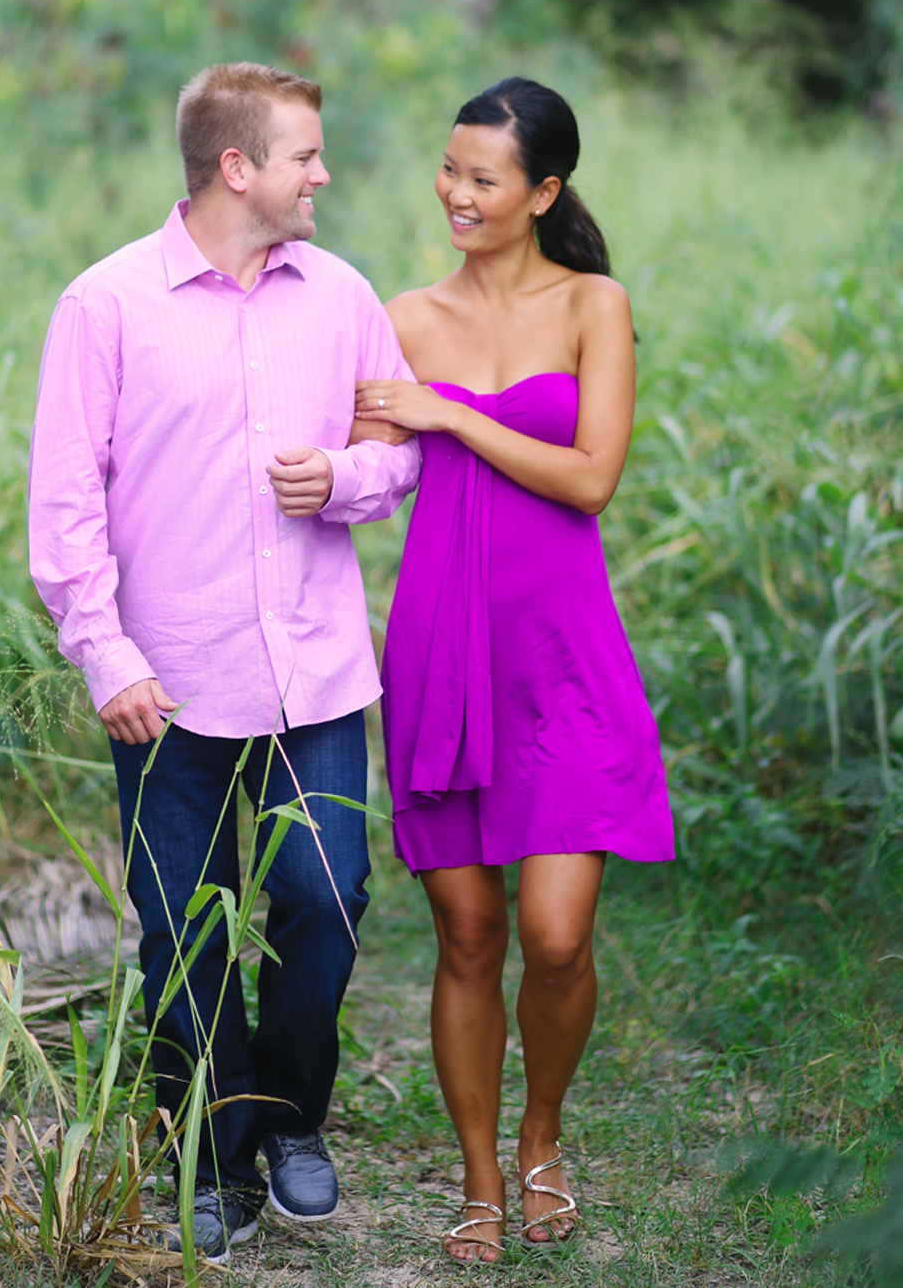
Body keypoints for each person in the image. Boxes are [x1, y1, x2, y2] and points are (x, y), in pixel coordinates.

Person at [28, 62, 420, 1264]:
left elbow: (395, 441)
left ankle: (289, 1117)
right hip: (168, 686)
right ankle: (209, 1149)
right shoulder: (103, 306)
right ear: (236, 167)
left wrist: (343, 477)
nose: (326, 174)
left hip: (314, 675)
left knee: (326, 897)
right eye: (307, 153)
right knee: (181, 930)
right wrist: (106, 652)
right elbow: (63, 504)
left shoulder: (343, 292)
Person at [353, 77, 674, 1263]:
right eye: (449, 168)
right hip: (442, 643)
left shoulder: (595, 303)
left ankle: (546, 1129)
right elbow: (366, 470)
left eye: (484, 177)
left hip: (564, 656)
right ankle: (485, 1176)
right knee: (470, 934)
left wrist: (451, 412)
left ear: (542, 191)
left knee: (554, 933)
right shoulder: (398, 313)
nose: (457, 193)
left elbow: (591, 477)